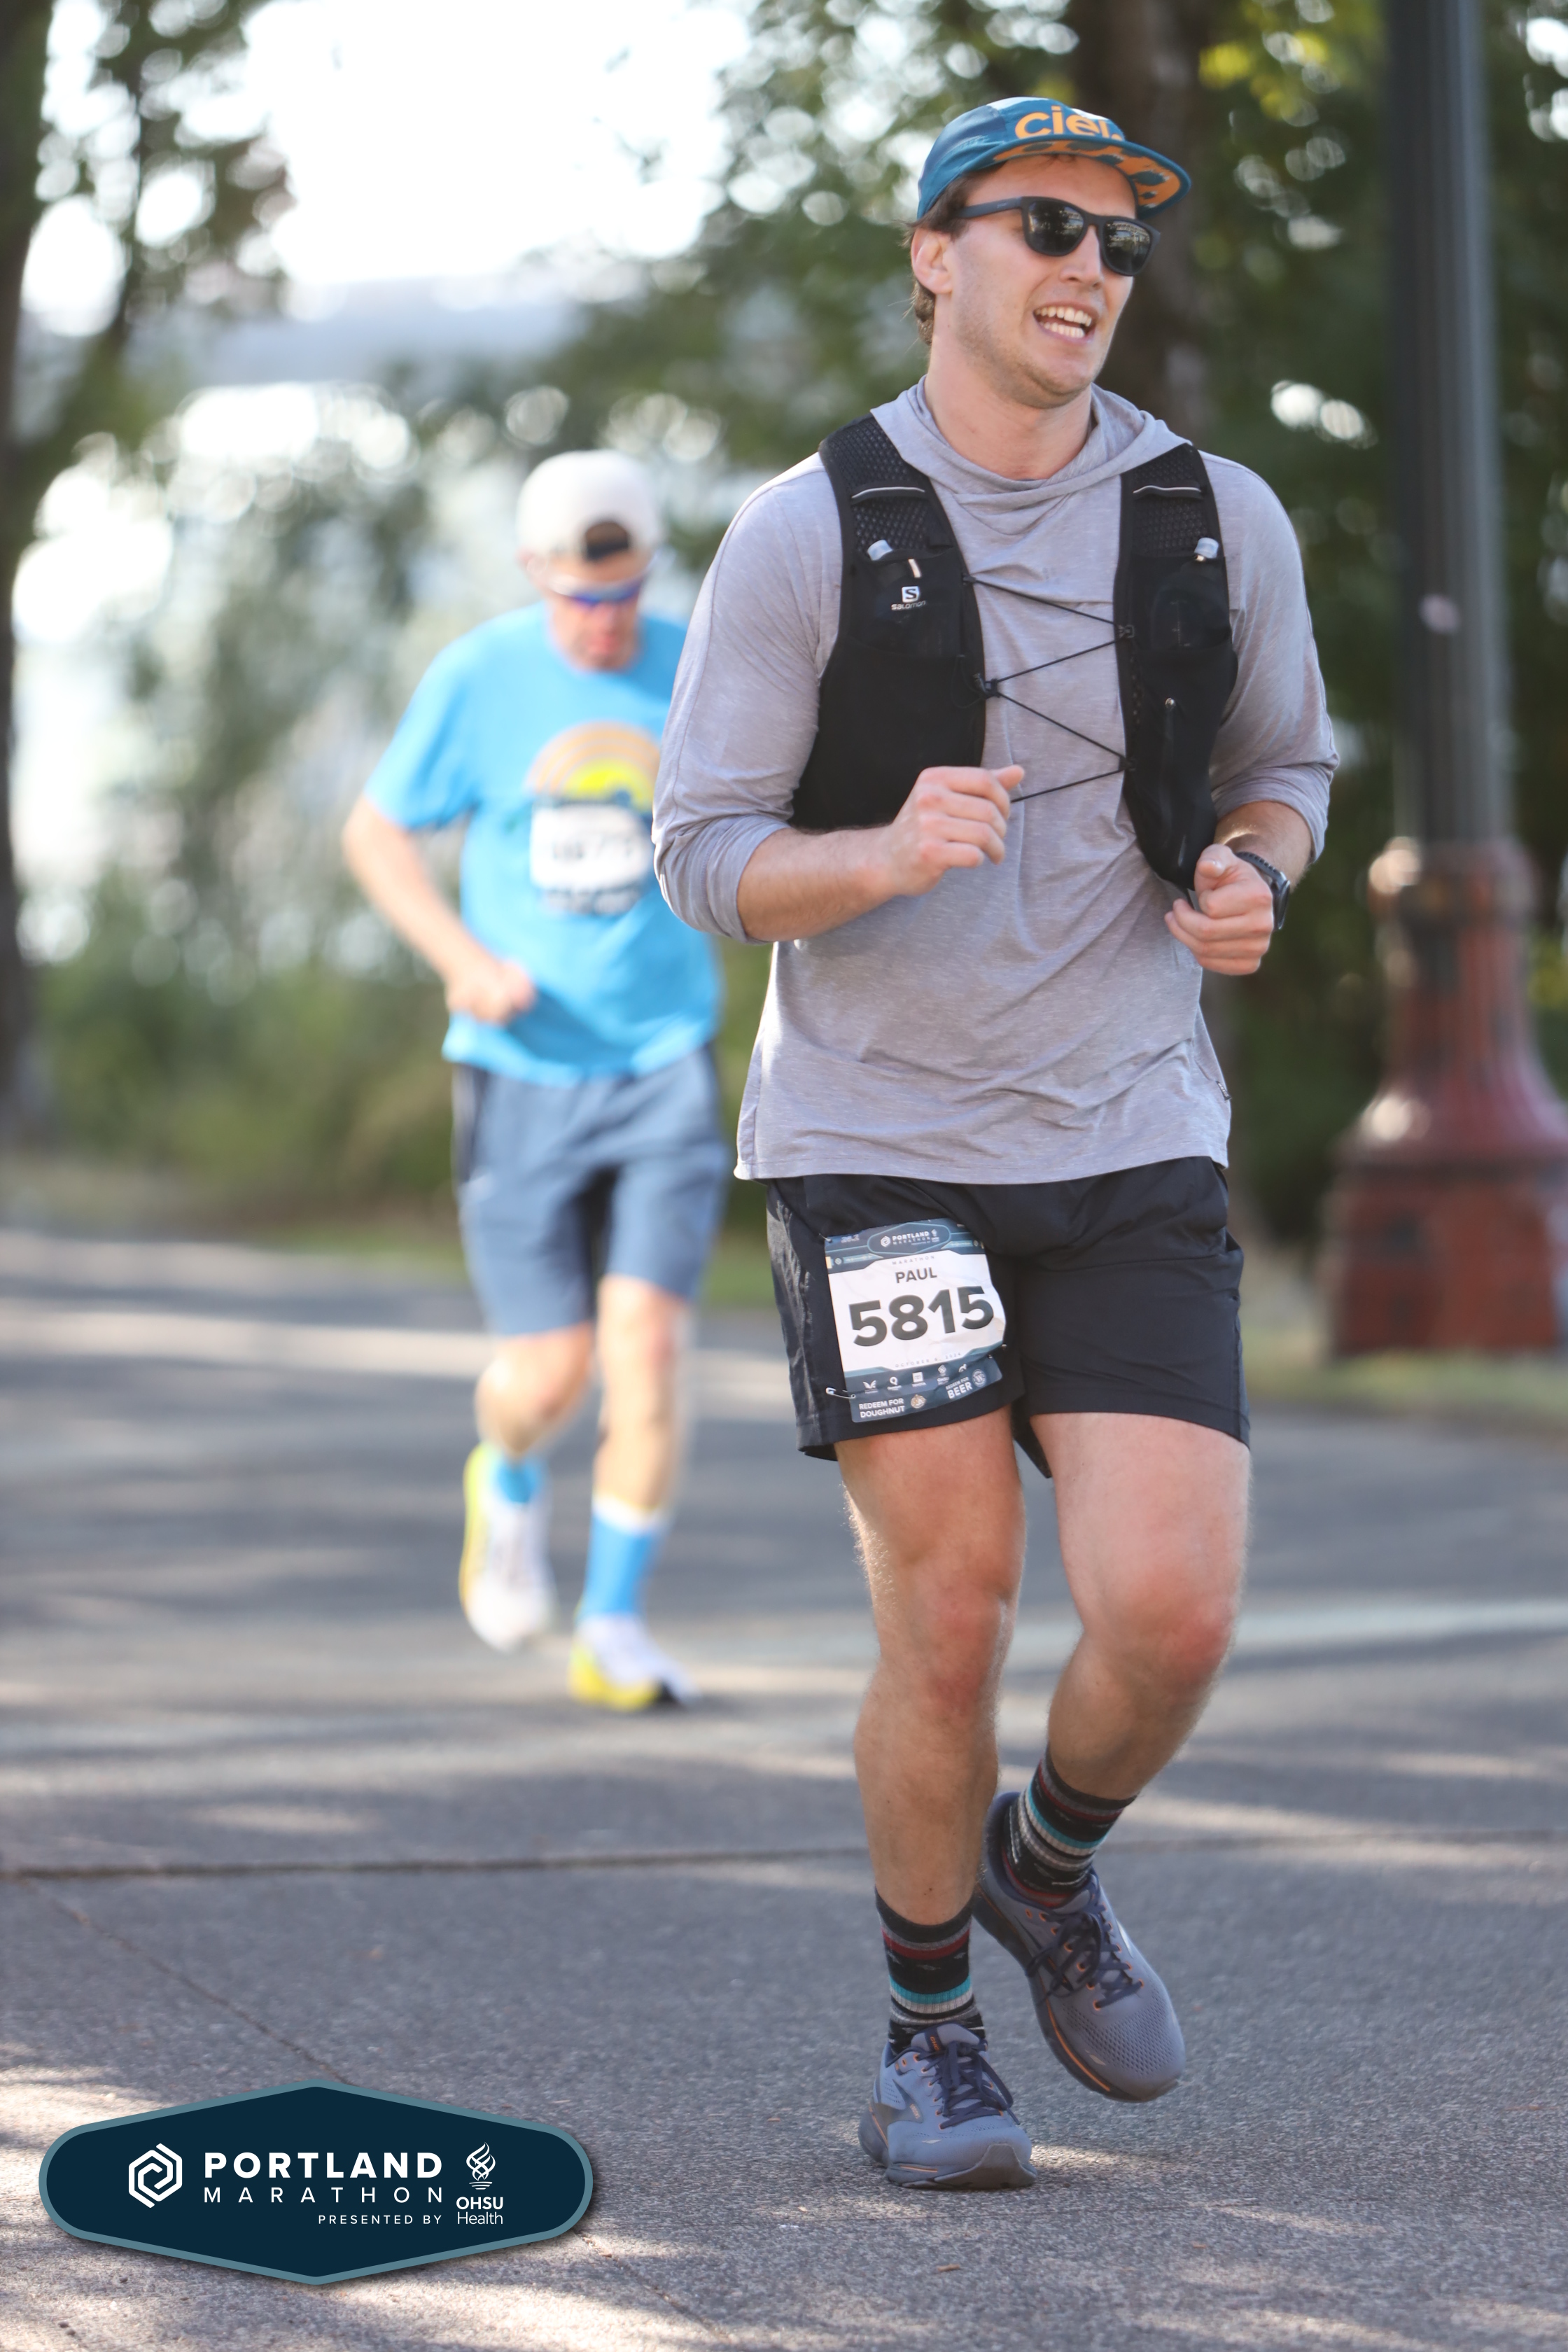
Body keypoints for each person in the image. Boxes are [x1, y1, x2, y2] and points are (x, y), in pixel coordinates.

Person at [655, 98, 1333, 2185]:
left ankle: (1046, 1868)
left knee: (1172, 1615)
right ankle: (928, 2036)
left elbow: (1285, 770)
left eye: (1119, 243)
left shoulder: (1213, 516)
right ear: (934, 254)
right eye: (1046, 226)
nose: (1089, 271)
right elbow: (702, 854)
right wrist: (871, 855)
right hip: (880, 1143)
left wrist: (1251, 870)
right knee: (949, 1617)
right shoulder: (807, 529)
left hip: (1128, 1128)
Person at [343, 449, 728, 1711]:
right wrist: (460, 959)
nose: (603, 620)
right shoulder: (481, 676)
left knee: (648, 1347)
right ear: (533, 573)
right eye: (578, 596)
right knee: (550, 1371)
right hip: (521, 1071)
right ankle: (505, 1475)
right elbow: (376, 831)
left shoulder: (699, 662)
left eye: (623, 593)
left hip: (662, 1059)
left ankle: (612, 1625)